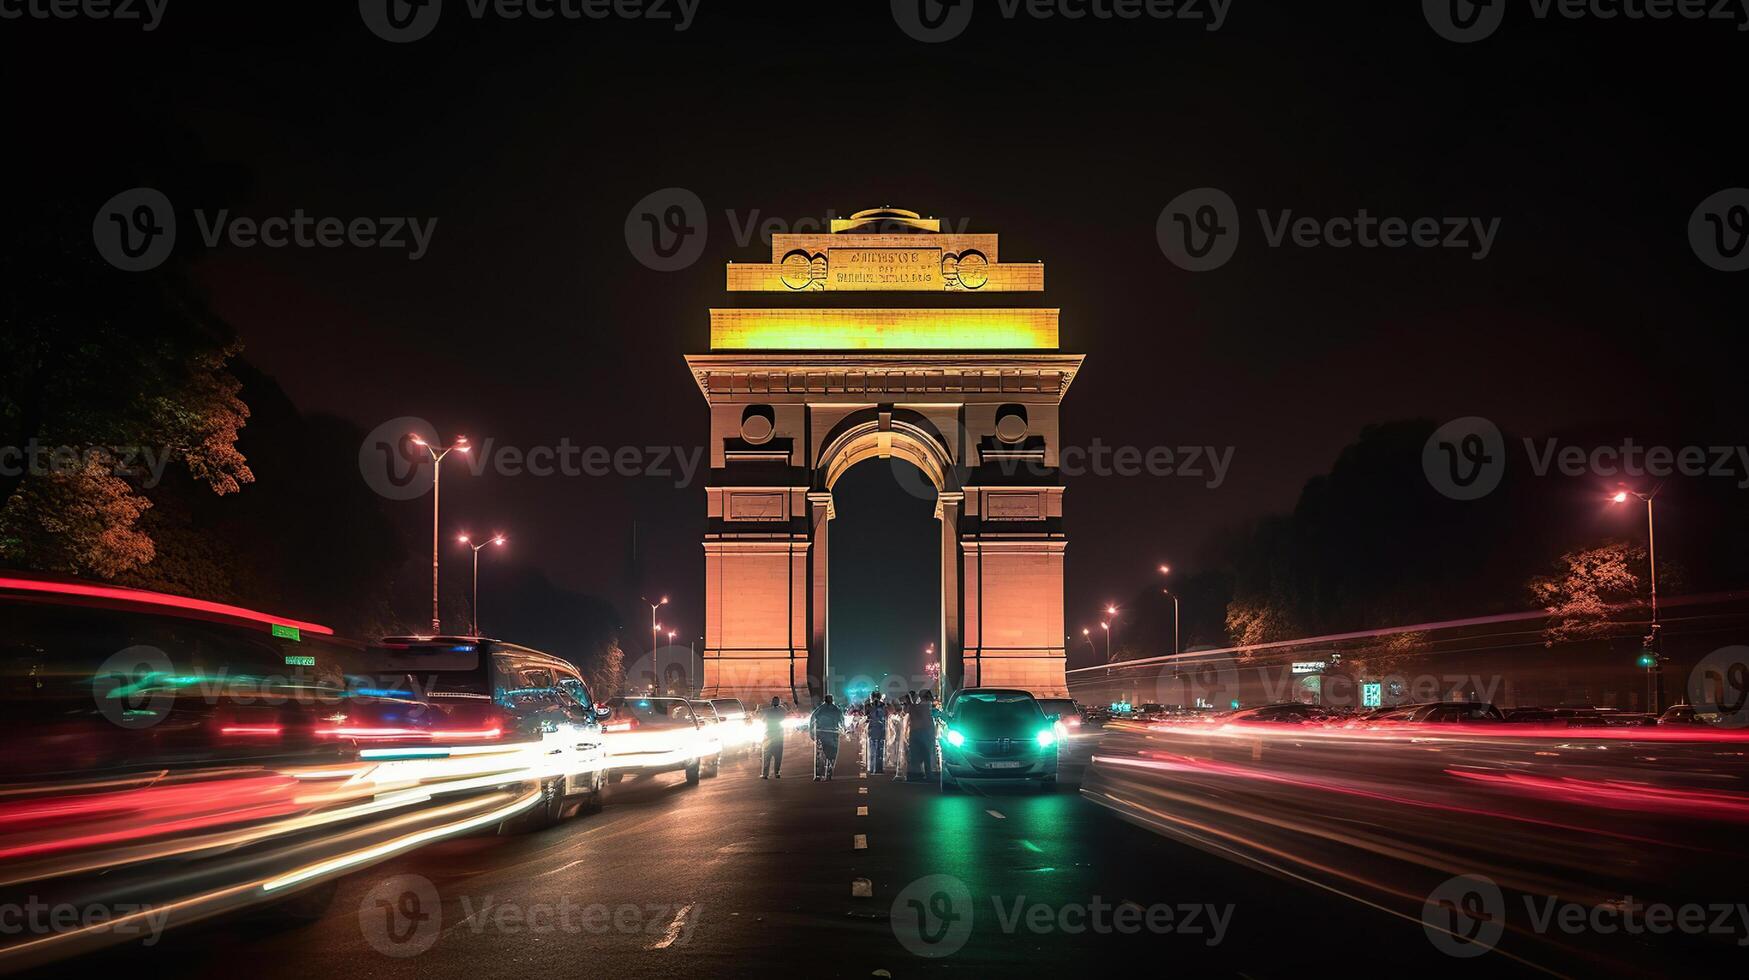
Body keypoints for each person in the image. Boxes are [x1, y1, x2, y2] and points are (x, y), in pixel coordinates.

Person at [809, 694, 847, 780]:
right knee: (832, 754)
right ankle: (828, 772)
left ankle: (818, 775)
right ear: (832, 700)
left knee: (820, 755)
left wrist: (811, 731)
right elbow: (842, 721)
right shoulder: (836, 709)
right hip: (832, 734)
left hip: (821, 733)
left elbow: (812, 719)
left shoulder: (820, 709)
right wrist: (844, 730)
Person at [906, 689, 940, 781]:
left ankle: (915, 774)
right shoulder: (928, 706)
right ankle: (928, 774)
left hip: (915, 732)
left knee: (916, 754)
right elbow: (937, 714)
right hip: (926, 732)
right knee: (927, 754)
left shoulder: (914, 707)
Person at [755, 696, 788, 779]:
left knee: (766, 755)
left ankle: (765, 774)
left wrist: (758, 708)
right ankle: (777, 773)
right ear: (779, 702)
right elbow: (785, 712)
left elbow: (758, 715)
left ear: (772, 702)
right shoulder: (781, 711)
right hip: (779, 735)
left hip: (768, 734)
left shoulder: (767, 711)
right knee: (778, 756)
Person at [863, 691, 889, 774]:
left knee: (874, 748)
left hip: (874, 728)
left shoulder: (871, 705)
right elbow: (886, 715)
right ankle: (877, 768)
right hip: (878, 728)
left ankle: (874, 768)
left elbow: (866, 715)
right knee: (878, 749)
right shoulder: (881, 705)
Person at [889, 692, 911, 780]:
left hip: (910, 738)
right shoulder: (899, 716)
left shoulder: (911, 714)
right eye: (902, 704)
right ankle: (903, 773)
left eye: (905, 704)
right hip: (902, 739)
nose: (903, 706)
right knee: (902, 755)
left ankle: (910, 773)